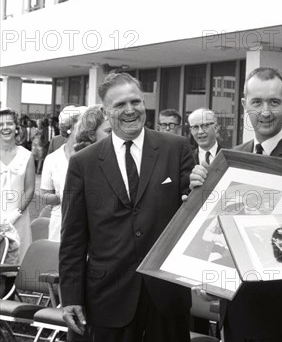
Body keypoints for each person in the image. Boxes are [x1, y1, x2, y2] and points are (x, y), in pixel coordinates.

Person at [59, 73, 195, 342]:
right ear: (107, 112)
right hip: (108, 297)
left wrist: (203, 190)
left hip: (166, 296)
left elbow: (194, 211)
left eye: (136, 102)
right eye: (120, 105)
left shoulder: (176, 148)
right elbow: (73, 238)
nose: (130, 110)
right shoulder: (83, 164)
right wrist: (71, 296)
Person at [190, 67, 282, 342]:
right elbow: (219, 231)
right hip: (234, 311)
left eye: (274, 102)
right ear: (245, 104)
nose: (265, 112)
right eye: (257, 102)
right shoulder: (231, 159)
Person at [41, 106, 88, 242]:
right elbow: (45, 195)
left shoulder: (92, 156)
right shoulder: (52, 159)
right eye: (82, 125)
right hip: (59, 222)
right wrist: (64, 196)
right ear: (69, 127)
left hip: (88, 223)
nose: (86, 130)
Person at [0, 108, 35, 262]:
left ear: (16, 127)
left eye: (9, 123)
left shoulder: (26, 155)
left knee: (15, 269)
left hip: (18, 219)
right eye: (1, 124)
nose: (5, 127)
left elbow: (29, 190)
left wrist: (14, 216)